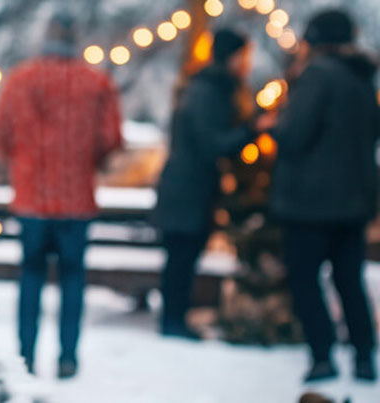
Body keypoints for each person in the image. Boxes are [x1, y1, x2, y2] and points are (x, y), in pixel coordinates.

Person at [0, 11, 123, 379]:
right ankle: (67, 357)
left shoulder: (20, 81)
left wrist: (23, 164)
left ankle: (25, 357)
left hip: (31, 199)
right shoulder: (97, 83)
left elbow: (0, 134)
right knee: (72, 279)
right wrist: (86, 160)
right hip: (76, 202)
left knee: (30, 276)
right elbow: (111, 138)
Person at [269, 9, 378, 383]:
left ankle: (322, 355)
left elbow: (294, 135)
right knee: (349, 280)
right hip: (355, 201)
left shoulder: (317, 75)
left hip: (310, 204)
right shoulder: (362, 77)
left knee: (305, 279)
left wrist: (276, 123)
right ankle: (364, 356)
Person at [153, 29, 256, 340]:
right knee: (181, 258)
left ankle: (174, 318)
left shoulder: (203, 87)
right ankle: (172, 321)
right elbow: (213, 143)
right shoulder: (208, 91)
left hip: (188, 187)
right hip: (188, 189)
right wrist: (253, 129)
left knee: (183, 257)